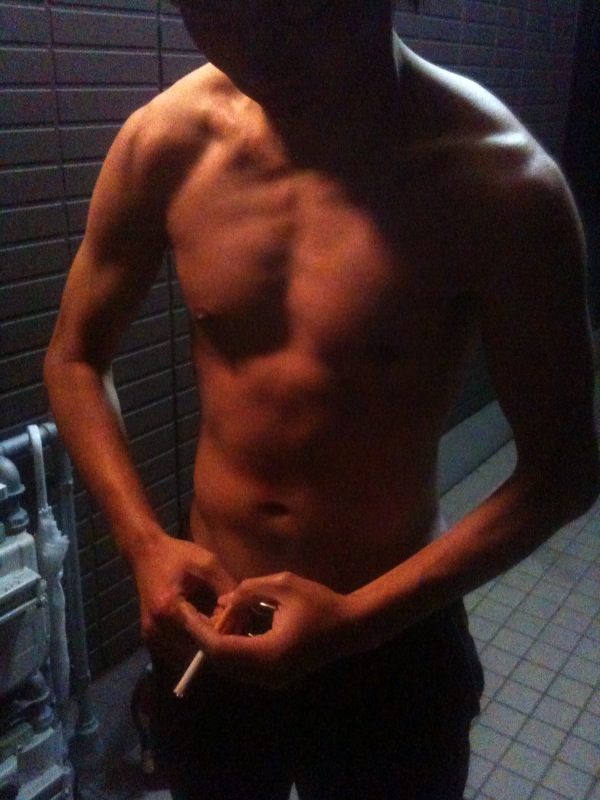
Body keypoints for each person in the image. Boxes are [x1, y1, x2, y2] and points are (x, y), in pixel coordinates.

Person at [44, 1, 599, 798]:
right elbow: (73, 358)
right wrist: (144, 546)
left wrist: (358, 623)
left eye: (300, 11)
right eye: (212, 13)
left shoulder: (499, 182)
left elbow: (563, 472)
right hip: (212, 622)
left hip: (392, 636)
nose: (257, 53)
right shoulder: (167, 141)